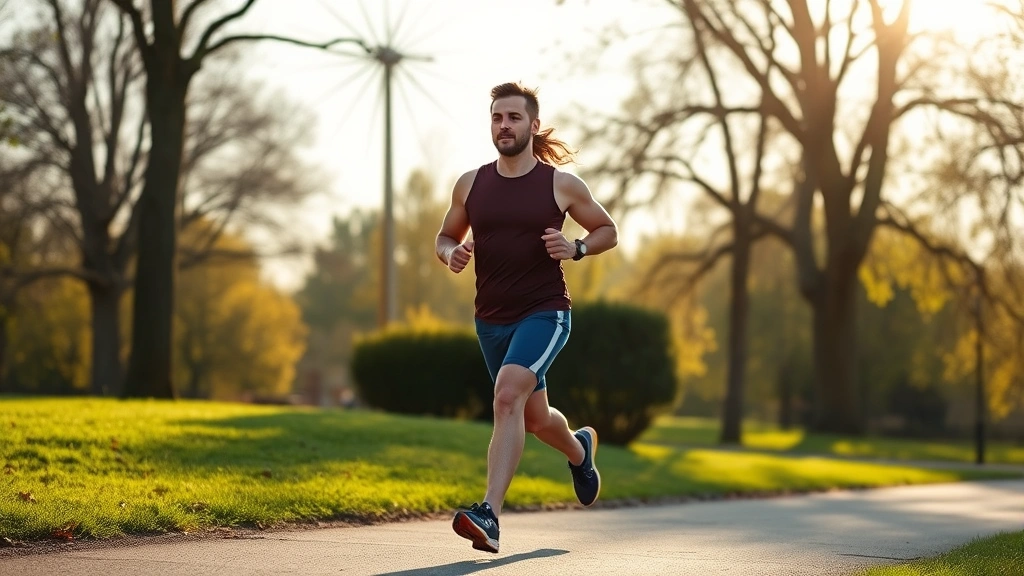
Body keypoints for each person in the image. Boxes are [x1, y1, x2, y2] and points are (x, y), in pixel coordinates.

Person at [435, 82, 619, 554]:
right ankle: (579, 451)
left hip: (545, 312)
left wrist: (576, 247)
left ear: (533, 126)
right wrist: (452, 253)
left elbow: (607, 230)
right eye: (498, 117)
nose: (504, 125)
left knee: (506, 396)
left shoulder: (560, 184)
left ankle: (490, 516)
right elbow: (444, 237)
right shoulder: (471, 184)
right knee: (533, 418)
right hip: (490, 318)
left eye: (514, 118)